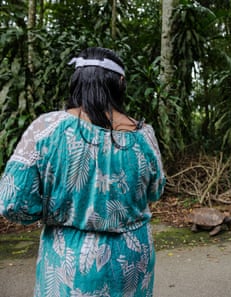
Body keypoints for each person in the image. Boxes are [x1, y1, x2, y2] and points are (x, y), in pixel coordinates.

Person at [0, 47, 165, 297]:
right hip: (133, 258)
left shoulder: (46, 129)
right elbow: (154, 192)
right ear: (120, 83)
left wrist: (54, 211)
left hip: (69, 259)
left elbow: (12, 203)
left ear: (76, 82)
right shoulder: (145, 136)